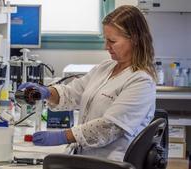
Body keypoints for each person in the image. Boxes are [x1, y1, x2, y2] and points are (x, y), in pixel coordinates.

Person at [18, 5, 156, 161]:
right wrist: (46, 92)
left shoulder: (141, 81)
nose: (106, 46)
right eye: (105, 39)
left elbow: (108, 128)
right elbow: (73, 92)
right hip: (87, 157)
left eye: (112, 41)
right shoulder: (105, 68)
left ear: (135, 39)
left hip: (111, 162)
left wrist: (62, 136)